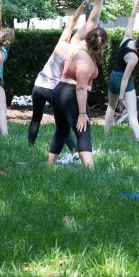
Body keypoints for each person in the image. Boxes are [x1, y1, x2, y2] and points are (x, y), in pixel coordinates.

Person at [27, 0, 106, 148]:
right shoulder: (75, 49)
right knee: (63, 126)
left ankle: (30, 146)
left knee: (36, 118)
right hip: (54, 89)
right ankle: (73, 150)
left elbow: (73, 21)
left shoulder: (61, 43)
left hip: (38, 85)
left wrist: (84, 3)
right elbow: (91, 22)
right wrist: (98, 2)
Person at [48, 25, 108, 169]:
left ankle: (49, 166)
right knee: (83, 132)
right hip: (71, 95)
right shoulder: (85, 60)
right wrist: (82, 113)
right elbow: (81, 88)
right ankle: (90, 171)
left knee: (62, 130)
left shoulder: (78, 46)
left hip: (59, 91)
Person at [103, 0, 139, 141]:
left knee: (110, 106)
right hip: (123, 80)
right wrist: (122, 97)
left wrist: (138, 0)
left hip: (113, 76)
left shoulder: (126, 39)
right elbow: (125, 78)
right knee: (132, 112)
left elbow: (132, 17)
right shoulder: (133, 58)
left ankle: (105, 134)